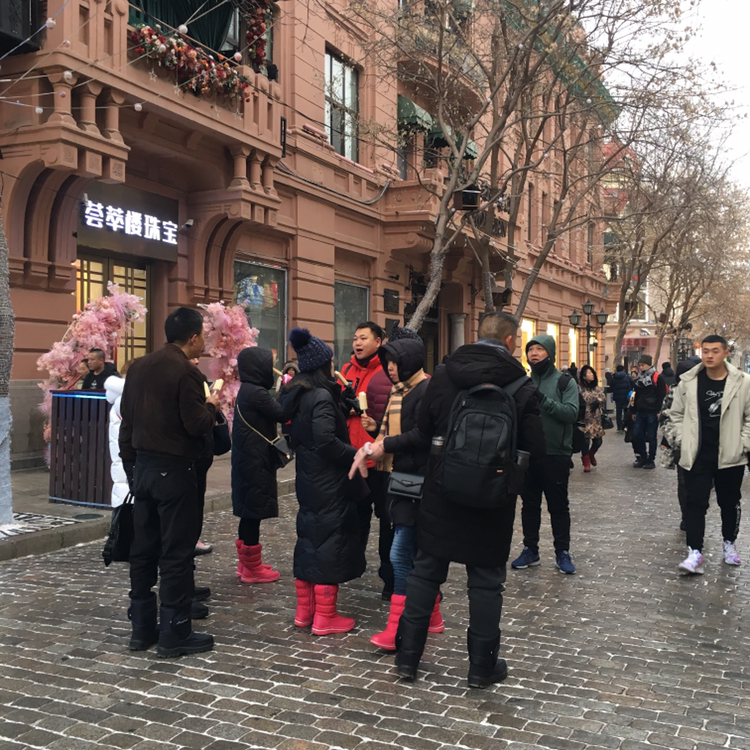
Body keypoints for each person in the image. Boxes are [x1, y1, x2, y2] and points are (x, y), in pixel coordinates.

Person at [386, 312, 544, 687]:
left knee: (425, 572)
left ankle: (407, 659)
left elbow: (423, 431)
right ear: (510, 342)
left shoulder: (444, 375)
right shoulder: (523, 387)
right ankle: (481, 668)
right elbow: (535, 450)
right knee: (486, 582)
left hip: (441, 492)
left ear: (478, 335)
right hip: (493, 500)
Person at [119, 307, 220, 658]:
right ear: (193, 338)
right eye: (202, 335)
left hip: (143, 469)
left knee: (143, 548)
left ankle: (142, 627)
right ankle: (175, 632)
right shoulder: (186, 372)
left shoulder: (139, 367)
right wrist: (212, 406)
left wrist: (131, 467)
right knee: (176, 551)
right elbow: (196, 423)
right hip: (175, 471)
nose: (204, 341)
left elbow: (127, 421)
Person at [351, 326, 443, 651]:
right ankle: (432, 615)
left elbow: (420, 435)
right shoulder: (398, 391)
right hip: (398, 479)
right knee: (414, 552)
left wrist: (385, 444)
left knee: (400, 553)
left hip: (418, 481)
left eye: (395, 362)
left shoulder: (424, 390)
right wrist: (374, 439)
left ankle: (398, 627)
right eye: (388, 362)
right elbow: (391, 431)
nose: (390, 368)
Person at [281, 328, 366, 635]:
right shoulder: (319, 396)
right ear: (322, 365)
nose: (334, 366)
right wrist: (356, 454)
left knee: (309, 538)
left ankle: (305, 612)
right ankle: (325, 617)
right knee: (330, 541)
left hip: (309, 477)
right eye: (330, 362)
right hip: (328, 480)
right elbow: (326, 440)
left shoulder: (301, 394)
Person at [670, 335, 750, 574]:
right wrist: (683, 440)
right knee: (695, 503)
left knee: (729, 502)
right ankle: (694, 552)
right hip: (697, 455)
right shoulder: (689, 381)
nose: (709, 355)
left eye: (715, 351)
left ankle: (729, 543)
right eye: (705, 351)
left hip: (730, 455)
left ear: (726, 353)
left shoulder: (743, 382)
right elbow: (676, 414)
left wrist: (742, 443)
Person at [512, 334, 579, 574]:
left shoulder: (565, 382)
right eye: (531, 349)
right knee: (529, 506)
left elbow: (571, 413)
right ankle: (530, 549)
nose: (534, 354)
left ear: (550, 353)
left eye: (539, 349)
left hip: (556, 454)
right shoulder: (524, 382)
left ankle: (562, 552)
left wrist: (542, 399)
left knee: (558, 506)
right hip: (528, 455)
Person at [340, 321, 395, 599]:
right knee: (354, 515)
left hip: (379, 459)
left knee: (386, 518)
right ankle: (353, 564)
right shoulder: (346, 370)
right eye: (355, 338)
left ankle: (389, 575)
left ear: (378, 341)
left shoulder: (386, 372)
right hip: (353, 457)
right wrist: (344, 406)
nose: (357, 343)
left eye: (363, 338)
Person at [232, 346, 287, 584]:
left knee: (248, 512)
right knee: (252, 513)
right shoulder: (256, 392)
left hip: (248, 459)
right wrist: (288, 389)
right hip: (254, 461)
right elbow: (282, 413)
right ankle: (251, 569)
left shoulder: (248, 389)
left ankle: (246, 563)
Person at [659, 357, 701, 531]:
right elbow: (665, 417)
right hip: (682, 446)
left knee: (700, 482)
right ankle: (687, 516)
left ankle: (696, 512)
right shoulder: (674, 392)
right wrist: (677, 440)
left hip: (703, 445)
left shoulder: (703, 390)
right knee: (683, 482)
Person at [631, 354, 667, 470]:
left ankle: (651, 459)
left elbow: (661, 395)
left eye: (643, 365)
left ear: (649, 365)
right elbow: (636, 395)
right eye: (640, 365)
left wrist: (658, 410)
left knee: (651, 436)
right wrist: (634, 410)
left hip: (652, 411)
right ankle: (643, 456)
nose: (641, 367)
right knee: (637, 435)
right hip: (640, 410)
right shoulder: (639, 378)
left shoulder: (657, 377)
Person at [578, 365, 605, 473]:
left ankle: (591, 454)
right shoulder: (579, 388)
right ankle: (586, 462)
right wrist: (595, 399)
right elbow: (584, 398)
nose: (592, 375)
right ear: (584, 376)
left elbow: (602, 396)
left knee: (598, 441)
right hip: (584, 418)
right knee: (585, 441)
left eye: (592, 373)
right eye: (589, 373)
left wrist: (598, 401)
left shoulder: (596, 387)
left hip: (596, 419)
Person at [610, 364, 634, 432]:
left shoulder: (613, 377)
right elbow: (633, 384)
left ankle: (619, 426)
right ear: (623, 370)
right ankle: (625, 425)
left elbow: (611, 387)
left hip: (617, 397)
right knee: (626, 411)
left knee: (618, 412)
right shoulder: (627, 377)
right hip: (626, 396)